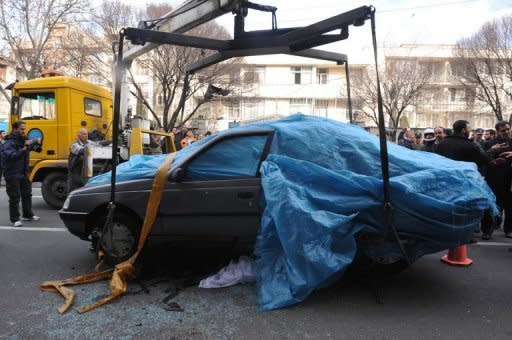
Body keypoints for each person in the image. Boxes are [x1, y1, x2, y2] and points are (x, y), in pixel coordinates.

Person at [2, 120, 40, 227]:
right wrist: (24, 149)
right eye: (22, 129)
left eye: (25, 129)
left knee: (27, 194)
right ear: (15, 129)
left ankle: (27, 215)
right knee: (14, 197)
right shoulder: (9, 141)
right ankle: (15, 219)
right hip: (12, 172)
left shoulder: (24, 139)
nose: (24, 131)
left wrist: (36, 143)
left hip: (23, 172)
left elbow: (35, 149)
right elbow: (11, 156)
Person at [480, 120, 512, 240]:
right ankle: (487, 231)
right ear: (497, 131)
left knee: (509, 206)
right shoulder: (490, 144)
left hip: (509, 180)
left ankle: (508, 229)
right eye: (503, 130)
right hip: (493, 179)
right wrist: (493, 158)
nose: (507, 132)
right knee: (490, 205)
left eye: (508, 129)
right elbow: (483, 159)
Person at [67, 128, 90, 193]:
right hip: (74, 172)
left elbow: (97, 144)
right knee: (73, 191)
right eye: (84, 134)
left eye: (87, 134)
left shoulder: (88, 142)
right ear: (79, 136)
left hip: (82, 172)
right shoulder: (74, 145)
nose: (87, 135)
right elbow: (82, 150)